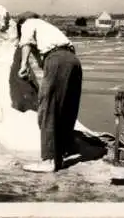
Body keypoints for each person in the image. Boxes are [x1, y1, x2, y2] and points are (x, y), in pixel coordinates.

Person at [16, 11, 83, 173]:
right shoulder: (49, 28)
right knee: (67, 107)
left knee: (49, 108)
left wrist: (23, 65)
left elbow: (26, 42)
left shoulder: (29, 23)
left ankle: (49, 160)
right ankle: (64, 151)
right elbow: (43, 59)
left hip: (57, 60)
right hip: (73, 61)